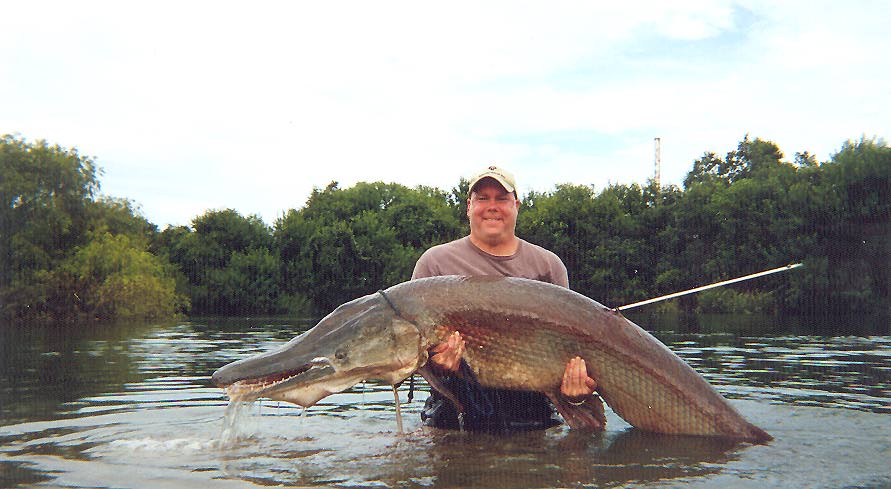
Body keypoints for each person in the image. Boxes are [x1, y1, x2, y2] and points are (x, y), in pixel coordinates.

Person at [411, 165, 598, 431]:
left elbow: (568, 353)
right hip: (454, 412)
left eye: (502, 198)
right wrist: (437, 366)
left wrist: (575, 393)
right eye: (482, 198)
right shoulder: (435, 264)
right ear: (468, 206)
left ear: (516, 206)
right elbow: (416, 351)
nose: (492, 206)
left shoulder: (548, 266)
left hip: (532, 412)